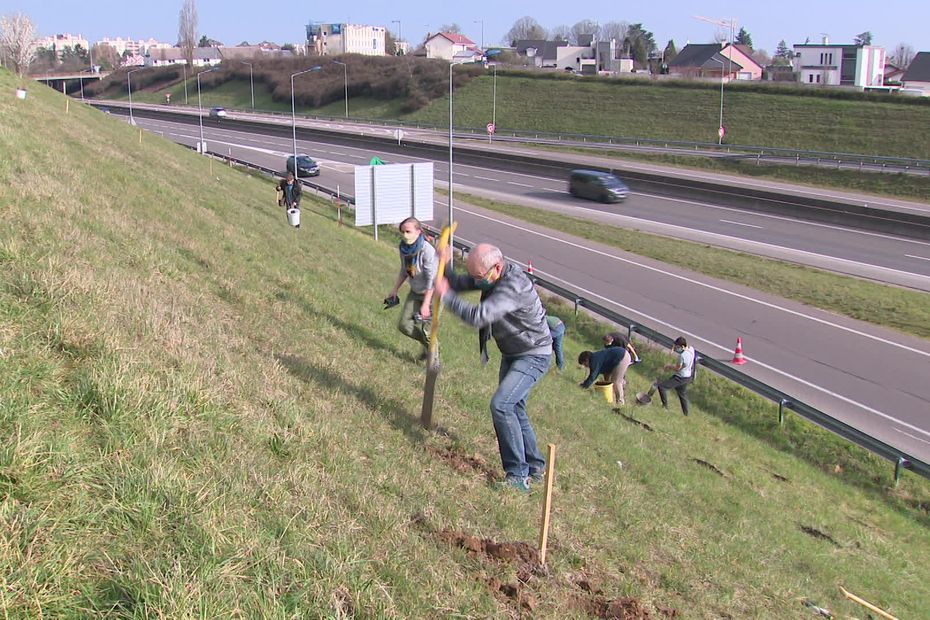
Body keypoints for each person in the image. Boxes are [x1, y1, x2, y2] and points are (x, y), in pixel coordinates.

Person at [435, 243, 552, 492]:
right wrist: (444, 264)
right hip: (512, 353)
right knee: (515, 408)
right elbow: (459, 283)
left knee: (501, 405)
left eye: (480, 277)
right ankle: (536, 466)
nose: (478, 282)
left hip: (534, 354)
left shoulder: (513, 286)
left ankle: (517, 477)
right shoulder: (489, 275)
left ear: (497, 267)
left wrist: (447, 297)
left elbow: (479, 316)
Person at [385, 218, 438, 360]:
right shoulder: (404, 248)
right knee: (404, 325)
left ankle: (433, 362)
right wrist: (395, 289)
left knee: (427, 331)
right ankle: (428, 347)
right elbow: (405, 270)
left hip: (433, 295)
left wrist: (426, 304)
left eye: (408, 231)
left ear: (418, 232)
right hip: (415, 292)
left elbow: (431, 280)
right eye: (402, 231)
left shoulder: (427, 251)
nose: (405, 235)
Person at [636, 336, 695, 415]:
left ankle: (665, 407)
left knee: (662, 387)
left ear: (682, 346)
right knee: (682, 393)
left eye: (677, 347)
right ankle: (686, 413)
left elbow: (677, 368)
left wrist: (669, 366)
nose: (676, 349)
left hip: (680, 377)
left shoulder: (682, 356)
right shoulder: (691, 350)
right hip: (688, 376)